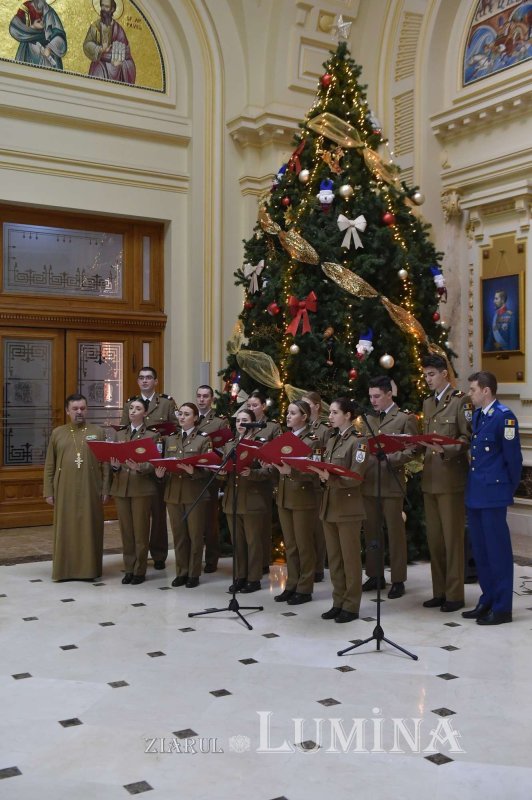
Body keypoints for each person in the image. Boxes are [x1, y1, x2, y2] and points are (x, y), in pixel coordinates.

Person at [462, 371, 522, 625]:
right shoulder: (478, 416)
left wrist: (506, 492)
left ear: (486, 390)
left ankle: (502, 607)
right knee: (482, 552)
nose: (470, 394)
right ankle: (487, 599)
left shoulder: (504, 418)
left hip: (494, 495)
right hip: (476, 493)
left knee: (497, 552)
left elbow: (514, 460)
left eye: (474, 389)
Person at [420, 355, 472, 612]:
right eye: (425, 375)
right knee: (435, 540)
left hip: (451, 479)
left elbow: (466, 438)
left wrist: (445, 450)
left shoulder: (461, 401)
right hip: (430, 479)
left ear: (444, 374)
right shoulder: (428, 404)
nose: (427, 379)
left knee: (452, 540)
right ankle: (439, 591)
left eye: (431, 374)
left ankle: (454, 594)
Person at [309, 398, 369, 623]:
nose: (330, 416)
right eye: (330, 412)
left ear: (348, 415)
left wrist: (329, 478)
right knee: (334, 558)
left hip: (348, 507)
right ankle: (338, 601)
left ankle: (351, 605)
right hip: (330, 505)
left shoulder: (359, 441)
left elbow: (356, 477)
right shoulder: (332, 439)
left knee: (350, 558)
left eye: (334, 412)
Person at [361, 376, 419, 599]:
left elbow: (413, 449)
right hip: (370, 483)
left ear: (388, 394)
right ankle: (375, 575)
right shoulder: (368, 419)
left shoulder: (405, 418)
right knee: (372, 532)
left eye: (377, 396)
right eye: (370, 397)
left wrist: (391, 458)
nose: (373, 401)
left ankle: (398, 579)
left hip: (391, 483)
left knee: (395, 533)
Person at [43, 393, 108, 581]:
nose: (79, 412)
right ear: (67, 411)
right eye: (75, 409)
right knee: (66, 528)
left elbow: (105, 464)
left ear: (86, 409)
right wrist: (49, 491)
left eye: (82, 408)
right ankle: (64, 570)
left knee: (90, 528)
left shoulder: (98, 431)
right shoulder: (58, 433)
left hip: (91, 488)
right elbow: (49, 464)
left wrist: (105, 489)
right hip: (64, 489)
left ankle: (89, 570)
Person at [120, 366, 175, 571]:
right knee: (136, 518)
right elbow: (124, 430)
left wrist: (161, 442)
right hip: (135, 465)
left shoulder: (166, 403)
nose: (145, 381)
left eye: (149, 378)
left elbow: (175, 429)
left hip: (157, 463)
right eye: (141, 378)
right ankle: (135, 557)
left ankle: (159, 554)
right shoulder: (131, 404)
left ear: (156, 381)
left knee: (158, 512)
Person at [155, 403, 212, 588]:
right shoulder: (170, 439)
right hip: (173, 494)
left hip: (194, 493)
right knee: (179, 536)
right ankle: (182, 572)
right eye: (180, 414)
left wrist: (192, 471)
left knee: (195, 536)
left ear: (195, 418)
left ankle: (194, 573)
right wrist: (160, 474)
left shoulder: (204, 440)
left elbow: (208, 470)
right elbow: (165, 463)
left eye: (186, 414)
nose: (181, 417)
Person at [273, 401, 321, 605]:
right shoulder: (285, 438)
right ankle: (291, 584)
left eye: (293, 413)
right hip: (284, 496)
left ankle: (305, 587)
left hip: (303, 498)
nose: (288, 416)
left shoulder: (312, 440)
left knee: (304, 545)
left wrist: (290, 471)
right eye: (288, 412)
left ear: (305, 416)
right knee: (290, 546)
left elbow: (314, 473)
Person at [219, 409, 271, 593]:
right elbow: (223, 471)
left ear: (253, 423)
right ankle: (240, 576)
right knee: (238, 542)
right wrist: (222, 474)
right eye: (238, 420)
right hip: (233, 499)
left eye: (245, 420)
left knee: (253, 542)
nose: (240, 424)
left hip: (252, 499)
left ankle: (254, 578)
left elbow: (269, 471)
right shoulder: (230, 445)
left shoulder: (260, 445)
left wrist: (253, 473)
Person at [109, 397, 157, 585]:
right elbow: (114, 459)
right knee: (126, 532)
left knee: (140, 531)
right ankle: (128, 568)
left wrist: (140, 468)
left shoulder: (151, 436)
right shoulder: (120, 434)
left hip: (141, 488)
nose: (133, 411)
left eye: (137, 408)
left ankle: (139, 570)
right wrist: (113, 466)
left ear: (145, 413)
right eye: (131, 408)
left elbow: (154, 462)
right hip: (122, 487)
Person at [246, 390, 282, 574]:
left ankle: (264, 562)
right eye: (249, 405)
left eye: (255, 405)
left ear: (263, 407)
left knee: (264, 523)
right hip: (247, 477)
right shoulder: (244, 424)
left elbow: (278, 451)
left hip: (265, 478)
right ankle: (252, 563)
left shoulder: (272, 427)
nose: (251, 408)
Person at [195, 385, 230, 573]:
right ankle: (193, 558)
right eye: (199, 396)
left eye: (205, 396)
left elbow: (225, 448)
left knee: (209, 521)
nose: (201, 400)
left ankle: (211, 559)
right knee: (193, 520)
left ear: (211, 400)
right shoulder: (190, 417)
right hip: (192, 474)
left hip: (210, 475)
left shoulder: (219, 422)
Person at [301, 391, 332, 583]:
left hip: (317, 482)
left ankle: (318, 567)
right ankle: (308, 568)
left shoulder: (324, 428)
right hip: (300, 480)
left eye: (306, 404)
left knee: (317, 530)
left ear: (316, 406)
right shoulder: (300, 427)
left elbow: (327, 453)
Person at [83, 0, 136, 84]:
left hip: (116, 65)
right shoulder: (95, 27)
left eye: (107, 7)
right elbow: (87, 44)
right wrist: (100, 49)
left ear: (112, 9)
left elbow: (127, 51)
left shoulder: (118, 29)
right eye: (102, 6)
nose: (103, 9)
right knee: (98, 73)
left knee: (122, 66)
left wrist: (119, 58)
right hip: (100, 62)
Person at [9, 0, 67, 70]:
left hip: (48, 64)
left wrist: (50, 48)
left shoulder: (48, 12)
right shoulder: (27, 8)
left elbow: (59, 35)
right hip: (29, 59)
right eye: (39, 21)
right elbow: (15, 28)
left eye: (42, 19)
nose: (43, 21)